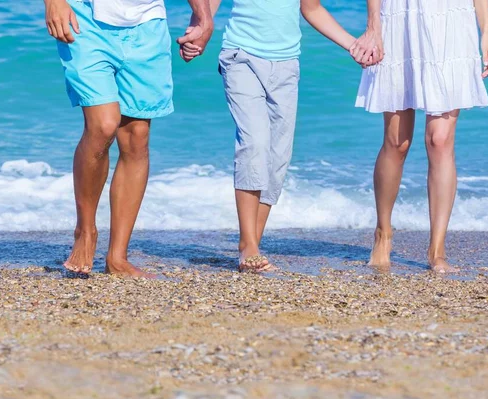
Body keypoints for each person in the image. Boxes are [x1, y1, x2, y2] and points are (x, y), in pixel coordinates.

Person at [181, 0, 358, 271]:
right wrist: (198, 31)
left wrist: (352, 45)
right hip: (241, 58)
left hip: (287, 67)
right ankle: (249, 246)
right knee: (255, 143)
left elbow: (311, 8)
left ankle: (251, 245)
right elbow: (209, 4)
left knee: (278, 160)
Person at [44, 0, 213, 276]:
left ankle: (117, 257)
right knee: (103, 126)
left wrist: (202, 16)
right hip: (84, 19)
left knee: (137, 136)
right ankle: (85, 231)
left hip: (148, 25)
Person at [351, 0, 488, 273]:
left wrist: (486, 31)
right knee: (397, 141)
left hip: (451, 21)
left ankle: (437, 249)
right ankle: (383, 233)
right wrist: (374, 25)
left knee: (440, 140)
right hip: (399, 16)